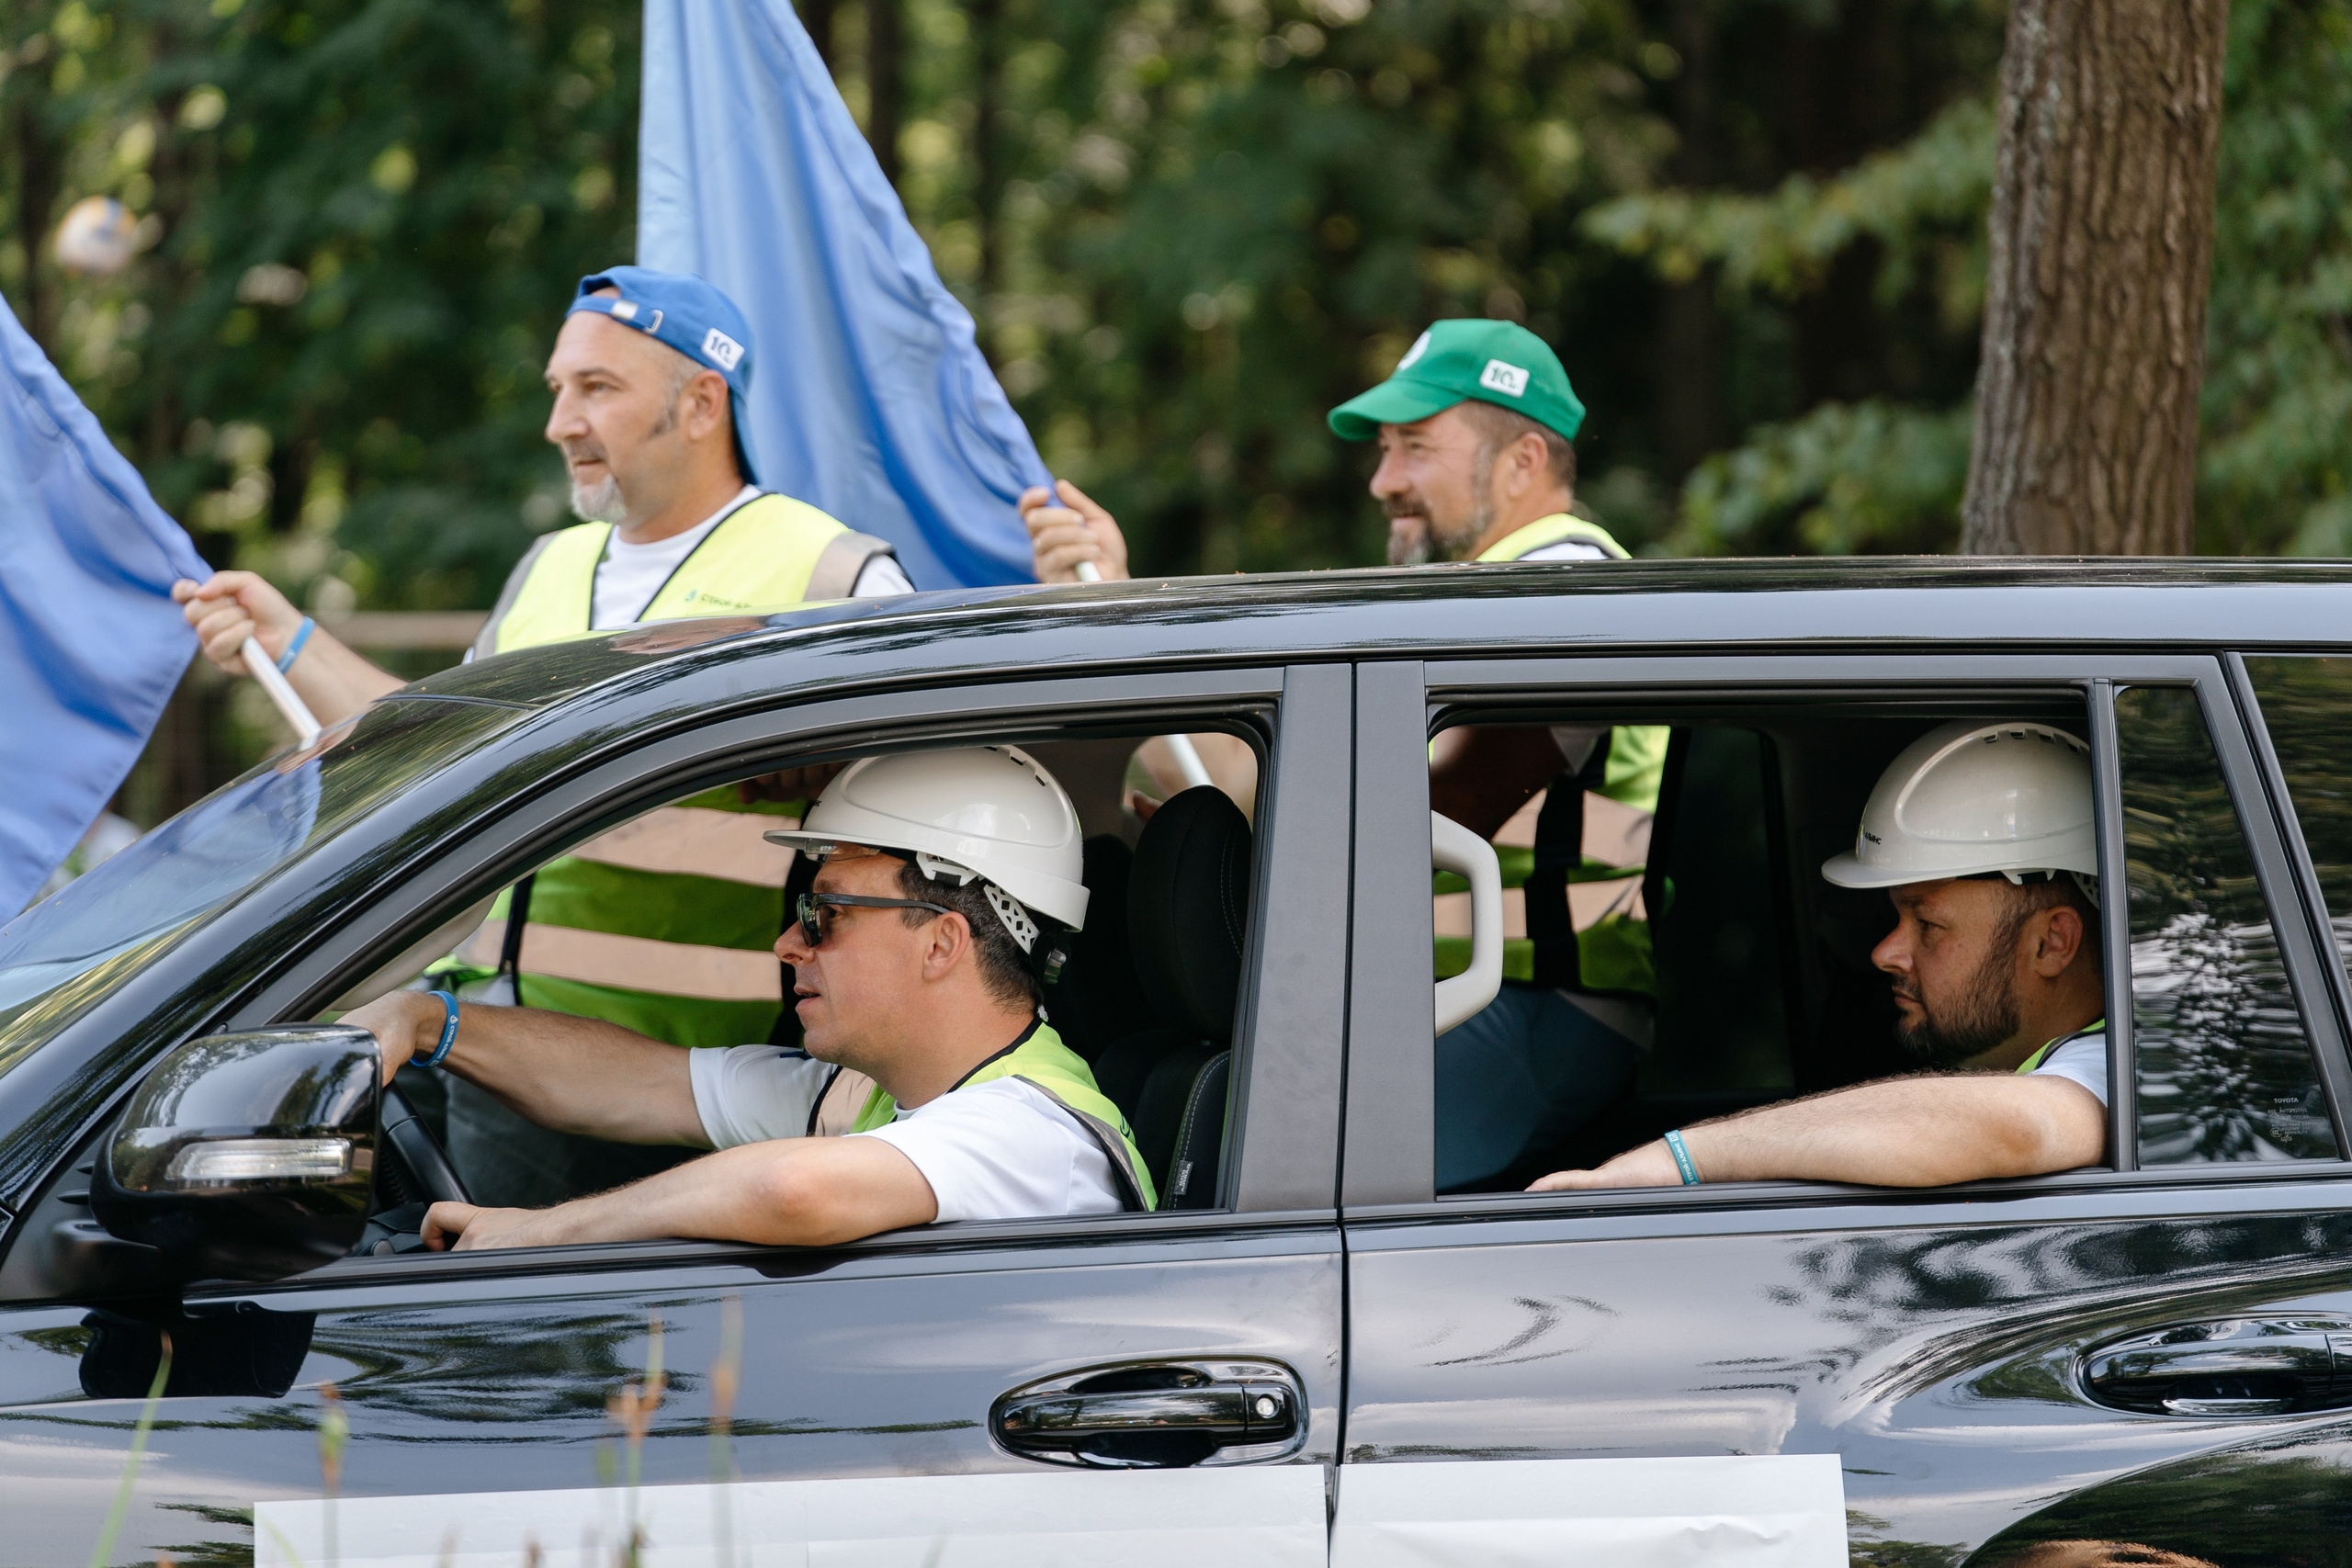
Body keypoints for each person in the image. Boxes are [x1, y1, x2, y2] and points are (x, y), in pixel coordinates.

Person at [175, 267, 911, 1203]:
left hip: (671, 1087)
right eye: (559, 389)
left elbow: (921, 810)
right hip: (472, 1045)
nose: (561, 422)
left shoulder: (833, 575)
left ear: (701, 403)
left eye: (596, 388)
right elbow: (442, 753)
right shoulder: (549, 564)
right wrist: (293, 642)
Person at [1023, 319, 1665, 1189]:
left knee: (1271, 1178)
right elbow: (1273, 779)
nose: (1382, 480)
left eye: (1415, 448)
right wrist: (1122, 611)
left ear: (1523, 461)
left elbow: (1412, 815)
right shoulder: (1476, 597)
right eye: (1385, 450)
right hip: (1447, 998)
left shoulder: (1564, 587)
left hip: (1527, 1000)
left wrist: (1227, 826)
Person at [343, 746, 1156, 1250]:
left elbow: (790, 1190)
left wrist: (538, 1230)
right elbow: (640, 1083)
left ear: (941, 942)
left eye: (827, 913)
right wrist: (426, 1021)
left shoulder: (1032, 1130)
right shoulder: (872, 1095)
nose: (789, 943)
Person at [1531, 719, 2109, 1191]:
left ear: (2051, 942)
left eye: (1928, 924)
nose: (1883, 952)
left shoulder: (2109, 1068)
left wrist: (1674, 1162)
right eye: (1895, 918)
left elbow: (2017, 1127)